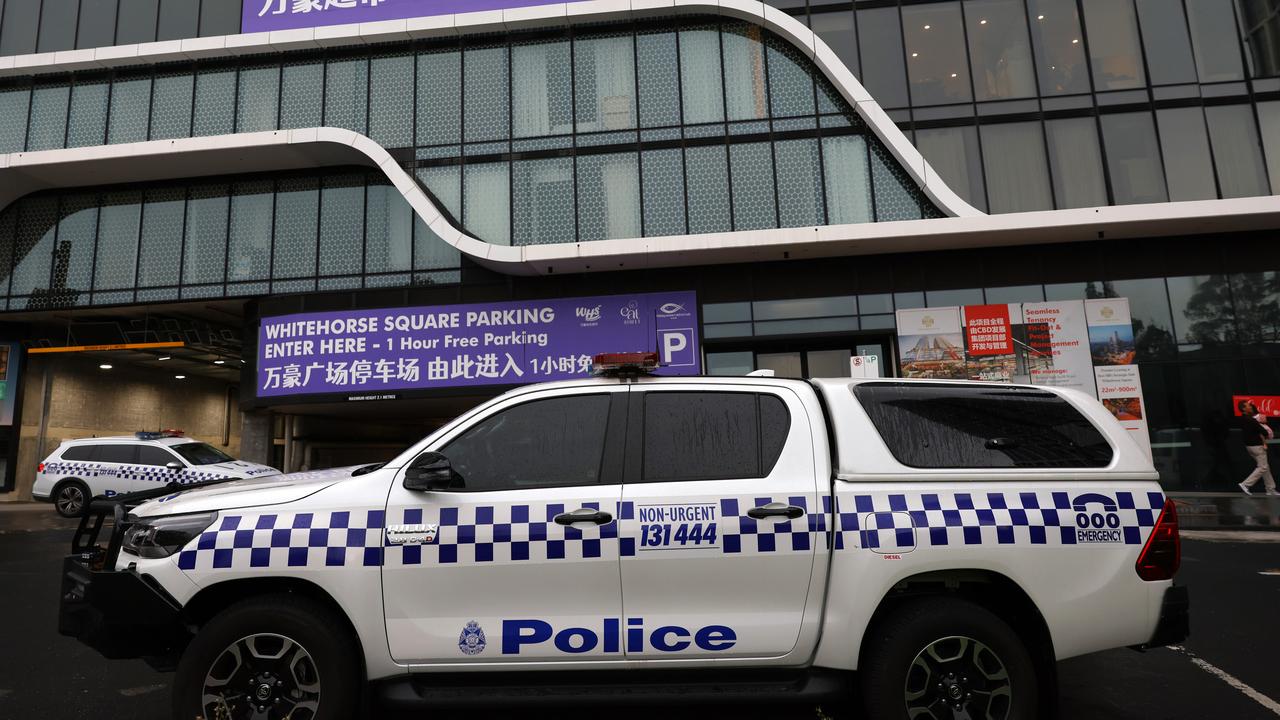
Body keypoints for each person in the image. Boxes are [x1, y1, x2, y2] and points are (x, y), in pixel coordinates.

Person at [1237, 400, 1278, 496]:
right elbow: (1264, 432)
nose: (1251, 407)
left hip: (1250, 447)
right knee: (1263, 467)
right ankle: (1245, 484)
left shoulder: (1243, 419)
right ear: (1244, 408)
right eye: (1248, 406)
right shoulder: (1251, 420)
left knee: (1265, 467)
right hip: (1257, 447)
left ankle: (1270, 489)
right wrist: (1261, 424)